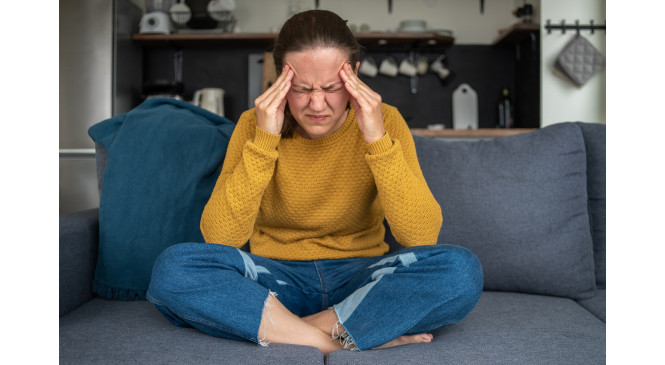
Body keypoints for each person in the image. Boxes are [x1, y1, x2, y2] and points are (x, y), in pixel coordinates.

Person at [147, 9, 483, 354]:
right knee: (174, 269)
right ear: (281, 81)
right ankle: (339, 340)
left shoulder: (386, 121)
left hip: (361, 279)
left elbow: (421, 236)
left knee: (460, 270)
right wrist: (265, 139)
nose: (316, 104)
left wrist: (376, 140)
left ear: (353, 75)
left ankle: (287, 329)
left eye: (332, 88)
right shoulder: (253, 125)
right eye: (301, 88)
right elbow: (220, 238)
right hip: (275, 281)